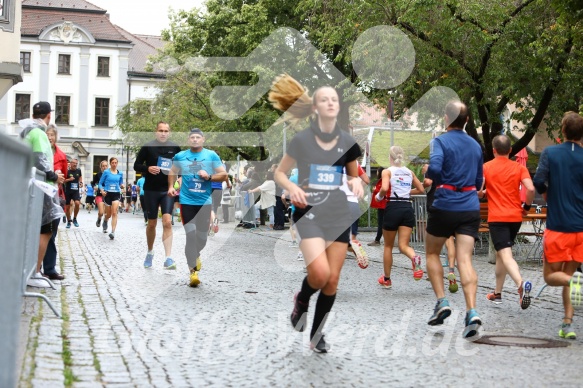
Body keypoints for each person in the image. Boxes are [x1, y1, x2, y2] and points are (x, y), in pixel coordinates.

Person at [270, 74, 364, 353]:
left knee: (332, 279)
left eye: (334, 99)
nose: (331, 103)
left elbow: (354, 173)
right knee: (320, 274)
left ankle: (316, 333)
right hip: (308, 212)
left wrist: (356, 180)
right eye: (325, 99)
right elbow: (280, 173)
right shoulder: (302, 140)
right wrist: (291, 188)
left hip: (337, 214)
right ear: (315, 108)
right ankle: (302, 299)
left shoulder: (347, 142)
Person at [424, 101, 483, 339]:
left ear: (446, 118)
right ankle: (472, 311)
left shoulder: (439, 141)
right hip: (470, 206)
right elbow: (479, 181)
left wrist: (429, 172)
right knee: (465, 259)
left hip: (445, 204)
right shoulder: (476, 146)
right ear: (467, 120)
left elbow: (435, 169)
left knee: (431, 253)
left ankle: (442, 301)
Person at [533, 111, 583, 339]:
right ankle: (567, 324)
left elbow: (537, 181)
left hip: (558, 227)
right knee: (570, 276)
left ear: (562, 130)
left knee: (551, 277)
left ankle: (576, 282)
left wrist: (546, 193)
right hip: (580, 229)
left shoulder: (550, 153)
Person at [480, 134, 534, 309]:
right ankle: (497, 293)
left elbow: (478, 190)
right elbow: (530, 188)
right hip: (515, 217)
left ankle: (521, 284)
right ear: (510, 150)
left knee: (505, 255)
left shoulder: (486, 167)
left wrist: (482, 193)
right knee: (500, 255)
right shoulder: (519, 168)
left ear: (494, 150)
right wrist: (526, 207)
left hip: (498, 218)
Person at [168, 128, 227, 287]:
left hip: (205, 203)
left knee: (202, 238)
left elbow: (223, 175)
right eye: (192, 137)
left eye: (198, 137)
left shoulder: (211, 156)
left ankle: (197, 254)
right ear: (189, 140)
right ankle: (193, 272)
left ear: (203, 139)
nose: (195, 140)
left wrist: (209, 176)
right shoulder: (181, 156)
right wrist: (171, 187)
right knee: (191, 235)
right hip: (186, 201)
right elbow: (172, 172)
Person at [20, 101, 65, 287]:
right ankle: (35, 271)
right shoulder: (38, 134)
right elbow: (40, 161)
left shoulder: (28, 131)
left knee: (38, 230)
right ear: (48, 116)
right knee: (44, 230)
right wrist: (55, 176)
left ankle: (34, 270)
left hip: (35, 186)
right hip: (41, 188)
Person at [134, 122, 182, 269]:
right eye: (160, 130)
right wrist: (147, 168)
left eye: (166, 131)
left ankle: (168, 258)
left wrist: (175, 186)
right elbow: (136, 165)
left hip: (167, 191)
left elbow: (180, 171)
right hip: (151, 190)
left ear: (169, 133)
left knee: (167, 222)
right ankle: (150, 252)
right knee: (152, 223)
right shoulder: (148, 147)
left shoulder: (175, 148)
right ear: (156, 132)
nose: (163, 133)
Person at [376, 146, 425, 288]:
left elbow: (384, 189)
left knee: (388, 246)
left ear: (390, 158)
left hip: (393, 207)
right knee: (404, 246)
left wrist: (379, 197)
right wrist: (406, 192)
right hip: (407, 208)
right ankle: (414, 257)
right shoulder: (409, 172)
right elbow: (421, 189)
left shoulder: (387, 171)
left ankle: (387, 279)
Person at [422, 163, 458, 292]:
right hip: (451, 207)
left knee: (431, 248)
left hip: (435, 207)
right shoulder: (451, 168)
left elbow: (427, 183)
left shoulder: (431, 169)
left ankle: (432, 273)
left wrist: (424, 177)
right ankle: (451, 270)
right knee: (449, 241)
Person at [42, 124, 67, 281]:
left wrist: (58, 176)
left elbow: (63, 176)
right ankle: (37, 268)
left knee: (51, 233)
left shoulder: (61, 155)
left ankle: (49, 268)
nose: (50, 137)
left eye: (52, 134)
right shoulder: (40, 154)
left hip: (56, 198)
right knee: (40, 233)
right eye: (48, 134)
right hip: (41, 196)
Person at [99, 157, 124, 240]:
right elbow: (100, 183)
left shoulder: (120, 173)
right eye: (112, 163)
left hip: (116, 193)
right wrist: (102, 191)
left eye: (115, 162)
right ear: (110, 163)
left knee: (114, 212)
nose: (114, 164)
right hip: (107, 194)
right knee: (109, 214)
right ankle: (105, 220)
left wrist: (122, 185)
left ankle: (113, 232)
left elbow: (121, 183)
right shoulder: (106, 172)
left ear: (117, 163)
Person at [368, 167, 387, 246]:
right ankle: (380, 239)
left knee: (381, 223)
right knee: (383, 223)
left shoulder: (383, 181)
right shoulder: (383, 180)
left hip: (383, 205)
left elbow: (382, 190)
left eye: (377, 172)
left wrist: (375, 190)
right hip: (382, 205)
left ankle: (377, 240)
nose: (376, 173)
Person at [64, 158, 83, 228]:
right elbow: (63, 181)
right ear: (70, 163)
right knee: (67, 207)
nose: (75, 164)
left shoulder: (78, 170)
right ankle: (69, 221)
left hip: (75, 191)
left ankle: (74, 218)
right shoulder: (67, 171)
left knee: (77, 203)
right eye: (74, 163)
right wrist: (69, 179)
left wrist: (81, 183)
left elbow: (80, 177)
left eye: (76, 163)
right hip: (68, 191)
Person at [94, 160, 108, 227]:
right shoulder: (98, 175)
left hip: (108, 195)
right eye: (103, 166)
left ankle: (105, 224)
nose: (104, 167)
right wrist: (95, 187)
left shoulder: (110, 174)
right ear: (101, 167)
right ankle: (99, 219)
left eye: (106, 166)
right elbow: (93, 182)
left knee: (107, 213)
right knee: (101, 212)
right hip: (99, 195)